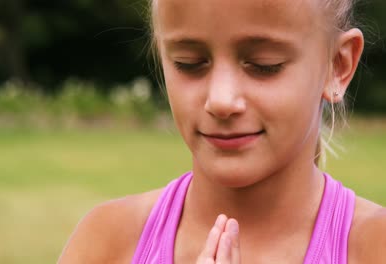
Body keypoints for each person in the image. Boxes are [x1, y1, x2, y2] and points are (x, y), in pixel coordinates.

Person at [58, 0, 386, 263]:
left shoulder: (374, 247)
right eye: (189, 62)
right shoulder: (106, 242)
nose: (221, 100)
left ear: (338, 65)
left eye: (264, 64)